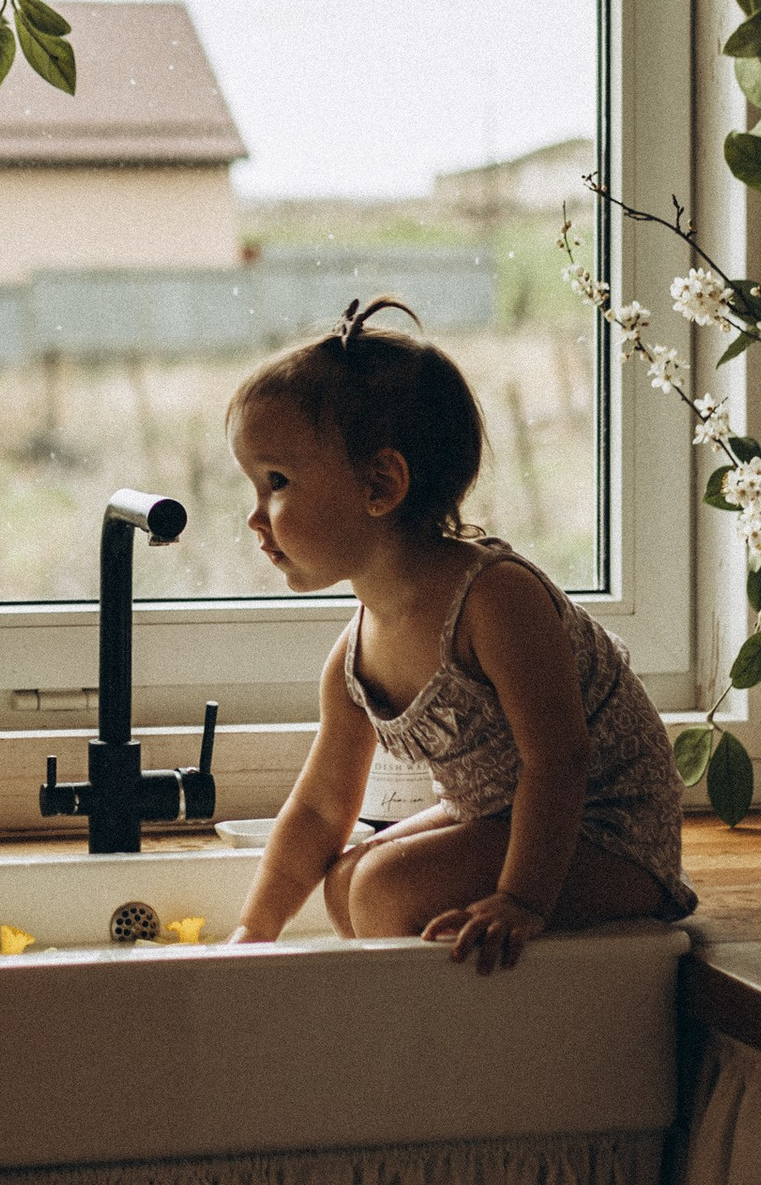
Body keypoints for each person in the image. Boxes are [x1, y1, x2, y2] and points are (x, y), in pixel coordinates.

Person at [225, 298, 693, 968]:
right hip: (502, 815)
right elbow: (322, 809)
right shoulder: (354, 658)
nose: (255, 515)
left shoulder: (494, 599)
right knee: (342, 887)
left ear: (381, 483)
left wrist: (521, 900)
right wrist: (254, 930)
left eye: (275, 482)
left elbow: (560, 758)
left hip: (612, 836)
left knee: (383, 894)